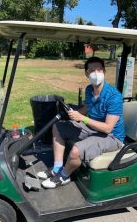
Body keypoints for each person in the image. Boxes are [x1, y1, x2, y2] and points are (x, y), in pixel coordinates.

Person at [37, 56, 125, 189]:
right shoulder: (90, 89)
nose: (96, 73)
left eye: (99, 70)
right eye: (92, 70)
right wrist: (74, 112)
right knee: (58, 127)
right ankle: (57, 168)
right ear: (87, 74)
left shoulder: (114, 96)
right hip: (93, 128)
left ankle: (64, 176)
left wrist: (82, 118)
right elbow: (87, 108)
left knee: (76, 150)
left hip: (112, 137)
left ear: (104, 72)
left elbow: (107, 128)